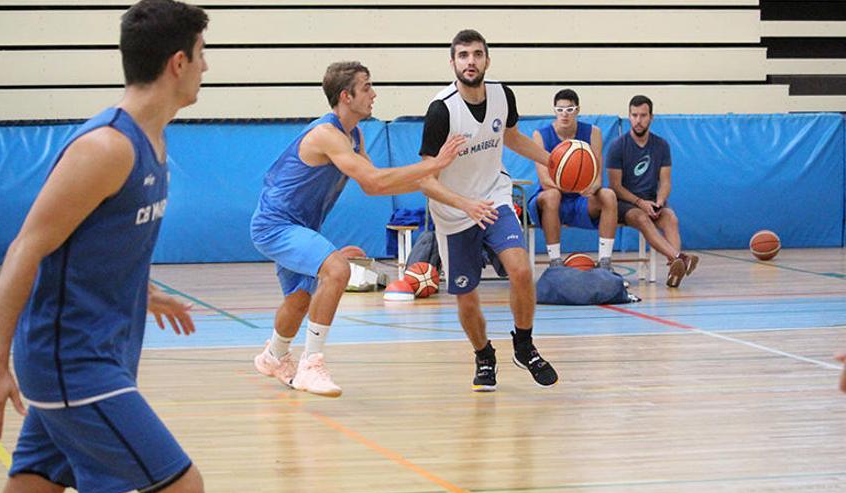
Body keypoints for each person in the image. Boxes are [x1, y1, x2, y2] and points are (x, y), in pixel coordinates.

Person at [0, 1, 208, 493]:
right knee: (183, 487)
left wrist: (145, 293)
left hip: (96, 355)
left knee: (33, 485)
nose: (207, 67)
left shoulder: (152, 141)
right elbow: (24, 250)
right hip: (74, 363)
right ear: (177, 63)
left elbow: (96, 245)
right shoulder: (106, 147)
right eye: (202, 53)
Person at [250, 61, 465, 398]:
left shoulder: (354, 135)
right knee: (337, 270)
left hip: (301, 225)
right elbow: (373, 180)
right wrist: (433, 164)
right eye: (367, 87)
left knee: (298, 301)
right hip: (276, 224)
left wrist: (427, 172)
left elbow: (375, 186)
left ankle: (273, 356)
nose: (374, 94)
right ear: (346, 96)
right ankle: (312, 363)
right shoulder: (326, 135)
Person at [417, 29, 558, 392]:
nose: (471, 62)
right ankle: (483, 355)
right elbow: (425, 180)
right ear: (453, 63)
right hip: (453, 211)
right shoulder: (441, 111)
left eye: (477, 54)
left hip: (494, 197)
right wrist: (466, 205)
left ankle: (524, 346)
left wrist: (552, 160)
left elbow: (510, 136)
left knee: (521, 270)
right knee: (466, 296)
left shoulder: (501, 94)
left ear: (487, 60)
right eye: (463, 56)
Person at [606, 95, 699, 288]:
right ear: (629, 116)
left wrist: (659, 201)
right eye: (634, 115)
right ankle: (678, 257)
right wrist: (640, 202)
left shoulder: (661, 145)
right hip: (625, 204)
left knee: (670, 217)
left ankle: (676, 269)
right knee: (642, 218)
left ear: (651, 117)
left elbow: (665, 182)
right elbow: (615, 186)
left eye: (643, 115)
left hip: (650, 201)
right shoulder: (617, 146)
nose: (638, 120)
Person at [528, 88, 618, 270]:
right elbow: (545, 181)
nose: (564, 114)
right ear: (554, 111)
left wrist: (591, 188)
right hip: (552, 199)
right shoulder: (541, 135)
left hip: (581, 198)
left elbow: (597, 178)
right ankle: (555, 262)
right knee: (552, 194)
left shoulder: (593, 132)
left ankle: (605, 261)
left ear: (577, 110)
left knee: (608, 195)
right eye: (560, 110)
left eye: (569, 109)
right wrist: (573, 186)